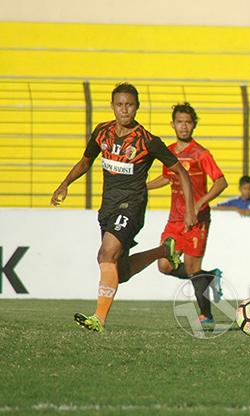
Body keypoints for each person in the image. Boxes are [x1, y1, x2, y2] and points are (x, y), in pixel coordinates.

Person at [51, 83, 196, 332]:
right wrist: (65, 184)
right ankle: (164, 250)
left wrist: (190, 209)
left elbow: (181, 172)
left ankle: (98, 319)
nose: (124, 110)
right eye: (120, 104)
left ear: (137, 107)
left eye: (129, 105)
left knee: (105, 254)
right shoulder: (102, 133)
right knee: (121, 271)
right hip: (108, 205)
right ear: (112, 106)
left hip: (132, 204)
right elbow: (86, 161)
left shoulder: (148, 141)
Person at [146, 103, 228, 324]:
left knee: (192, 268)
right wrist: (145, 186)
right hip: (175, 219)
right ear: (173, 124)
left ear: (194, 125)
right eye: (180, 122)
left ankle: (206, 315)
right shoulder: (170, 151)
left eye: (188, 122)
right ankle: (208, 277)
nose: (184, 126)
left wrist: (198, 204)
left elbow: (221, 182)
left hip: (196, 219)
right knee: (164, 264)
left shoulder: (201, 154)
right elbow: (167, 177)